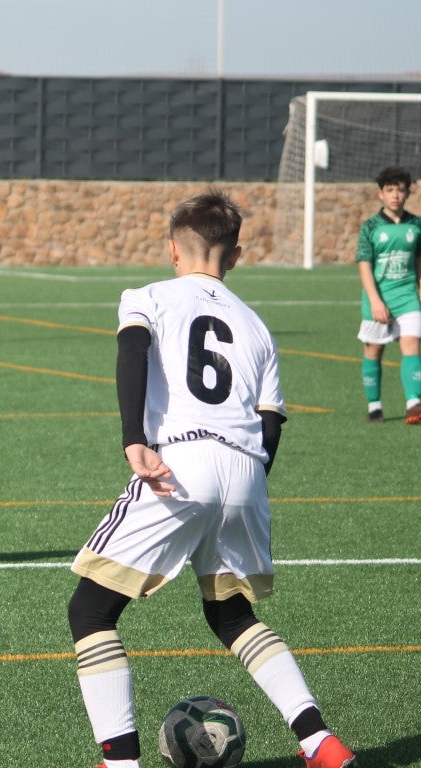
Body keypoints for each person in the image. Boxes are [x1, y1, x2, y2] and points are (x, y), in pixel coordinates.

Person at [66, 190, 355, 768]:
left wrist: (133, 438)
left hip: (179, 463)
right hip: (247, 471)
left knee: (90, 612)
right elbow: (270, 422)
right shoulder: (257, 326)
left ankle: (120, 763)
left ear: (173, 249)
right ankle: (319, 740)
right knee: (230, 614)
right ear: (237, 255)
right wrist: (246, 486)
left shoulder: (147, 295)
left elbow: (132, 349)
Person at [355, 165, 421, 424]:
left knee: (412, 343)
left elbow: (419, 262)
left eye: (401, 190)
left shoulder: (416, 225)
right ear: (380, 194)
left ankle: (414, 402)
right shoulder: (370, 227)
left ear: (407, 193)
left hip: (407, 296)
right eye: (390, 190)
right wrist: (375, 301)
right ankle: (374, 406)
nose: (395, 195)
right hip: (378, 298)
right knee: (374, 350)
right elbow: (364, 265)